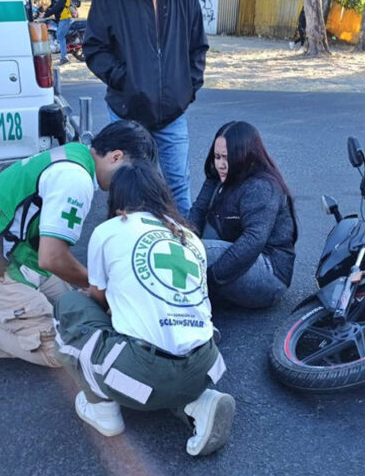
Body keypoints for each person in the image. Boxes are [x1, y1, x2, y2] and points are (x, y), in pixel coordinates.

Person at [0, 120, 157, 368]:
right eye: (131, 172)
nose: (131, 182)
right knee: (61, 351)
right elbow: (53, 258)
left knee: (78, 315)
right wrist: (99, 288)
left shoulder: (76, 154)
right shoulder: (75, 179)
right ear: (116, 157)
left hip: (14, 251)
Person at [54, 160, 234, 456]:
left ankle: (102, 408)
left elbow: (99, 298)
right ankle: (198, 401)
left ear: (118, 197)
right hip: (206, 364)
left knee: (70, 304)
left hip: (141, 375)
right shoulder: (190, 237)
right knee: (167, 352)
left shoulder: (109, 231)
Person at [83, 0, 209, 217]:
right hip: (127, 113)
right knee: (128, 185)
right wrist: (125, 81)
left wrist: (187, 89)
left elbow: (197, 49)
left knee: (178, 184)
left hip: (172, 116)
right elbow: (95, 48)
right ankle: (126, 245)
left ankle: (183, 246)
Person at [188, 121, 297, 309]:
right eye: (217, 156)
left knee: (191, 251)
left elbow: (253, 240)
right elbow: (197, 211)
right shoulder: (217, 174)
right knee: (179, 244)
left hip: (270, 275)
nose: (220, 164)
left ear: (246, 157)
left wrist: (208, 280)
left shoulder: (261, 187)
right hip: (236, 258)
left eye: (227, 158)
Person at [43, 0, 76, 64]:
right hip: (60, 19)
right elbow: (52, 6)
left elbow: (57, 8)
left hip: (66, 19)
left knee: (60, 35)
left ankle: (64, 57)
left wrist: (46, 14)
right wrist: (42, 11)